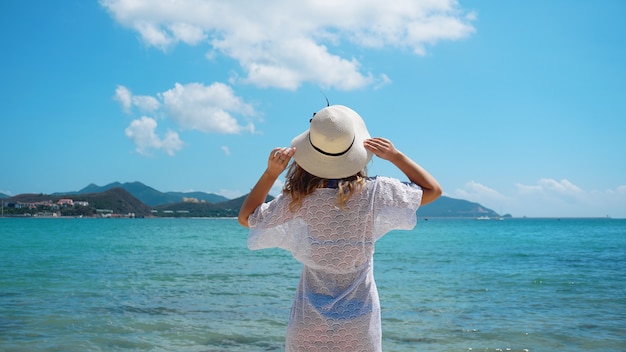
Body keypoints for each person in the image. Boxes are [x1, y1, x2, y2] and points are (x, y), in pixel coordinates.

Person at [238, 105, 442, 352]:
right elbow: (433, 191)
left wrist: (271, 173)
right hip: (359, 321)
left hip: (308, 320)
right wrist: (395, 156)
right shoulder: (375, 192)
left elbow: (247, 217)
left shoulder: (299, 199)